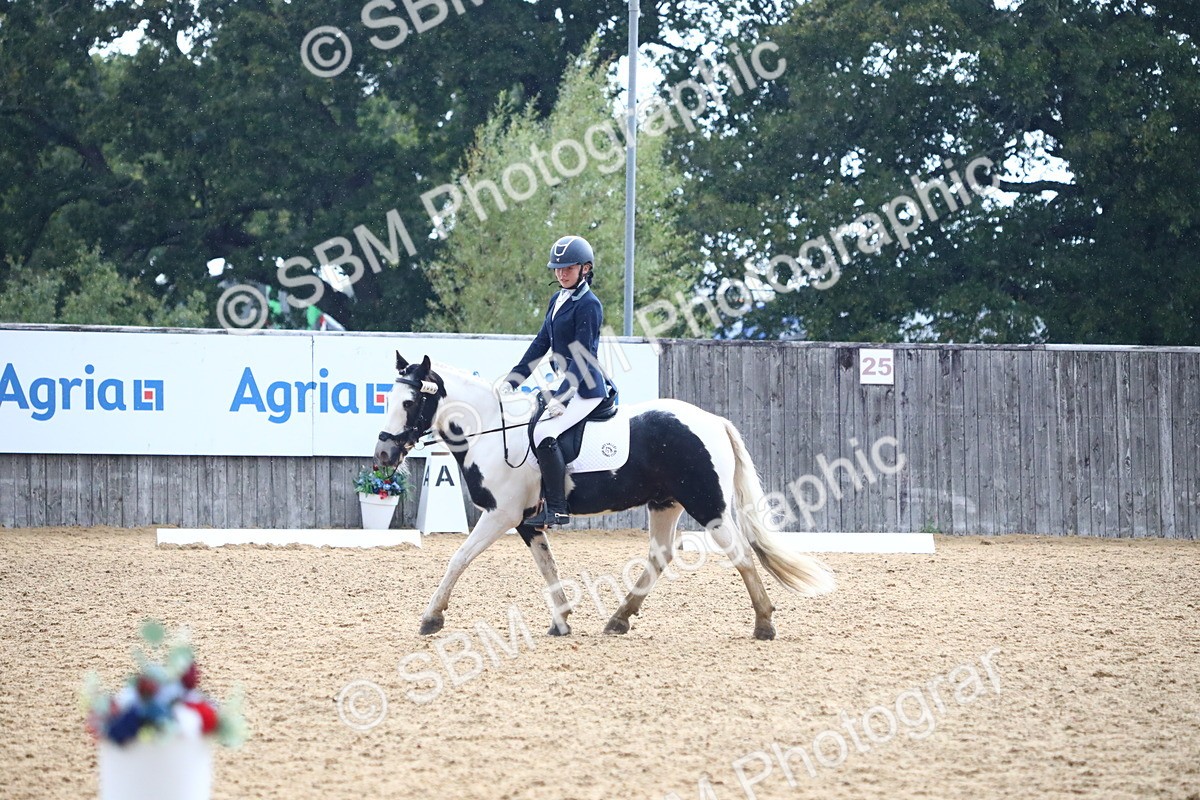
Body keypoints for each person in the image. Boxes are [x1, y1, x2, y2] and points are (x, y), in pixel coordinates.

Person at [504, 235, 614, 528]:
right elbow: (541, 343)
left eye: (568, 268)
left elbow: (585, 357)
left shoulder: (589, 304)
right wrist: (514, 379)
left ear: (585, 269)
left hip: (586, 389)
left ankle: (558, 508)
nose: (561, 273)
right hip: (565, 384)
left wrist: (562, 398)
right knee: (531, 426)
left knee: (545, 434)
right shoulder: (558, 299)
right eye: (557, 268)